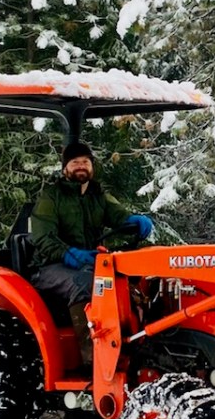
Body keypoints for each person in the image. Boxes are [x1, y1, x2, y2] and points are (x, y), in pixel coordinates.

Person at [29, 142, 153, 332]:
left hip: (91, 261)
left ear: (91, 166)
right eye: (75, 162)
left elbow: (118, 216)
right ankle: (91, 348)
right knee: (88, 283)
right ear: (65, 168)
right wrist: (69, 254)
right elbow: (43, 237)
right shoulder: (51, 197)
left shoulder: (98, 195)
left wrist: (133, 221)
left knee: (131, 281)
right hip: (50, 265)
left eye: (85, 162)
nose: (81, 166)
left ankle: (137, 337)